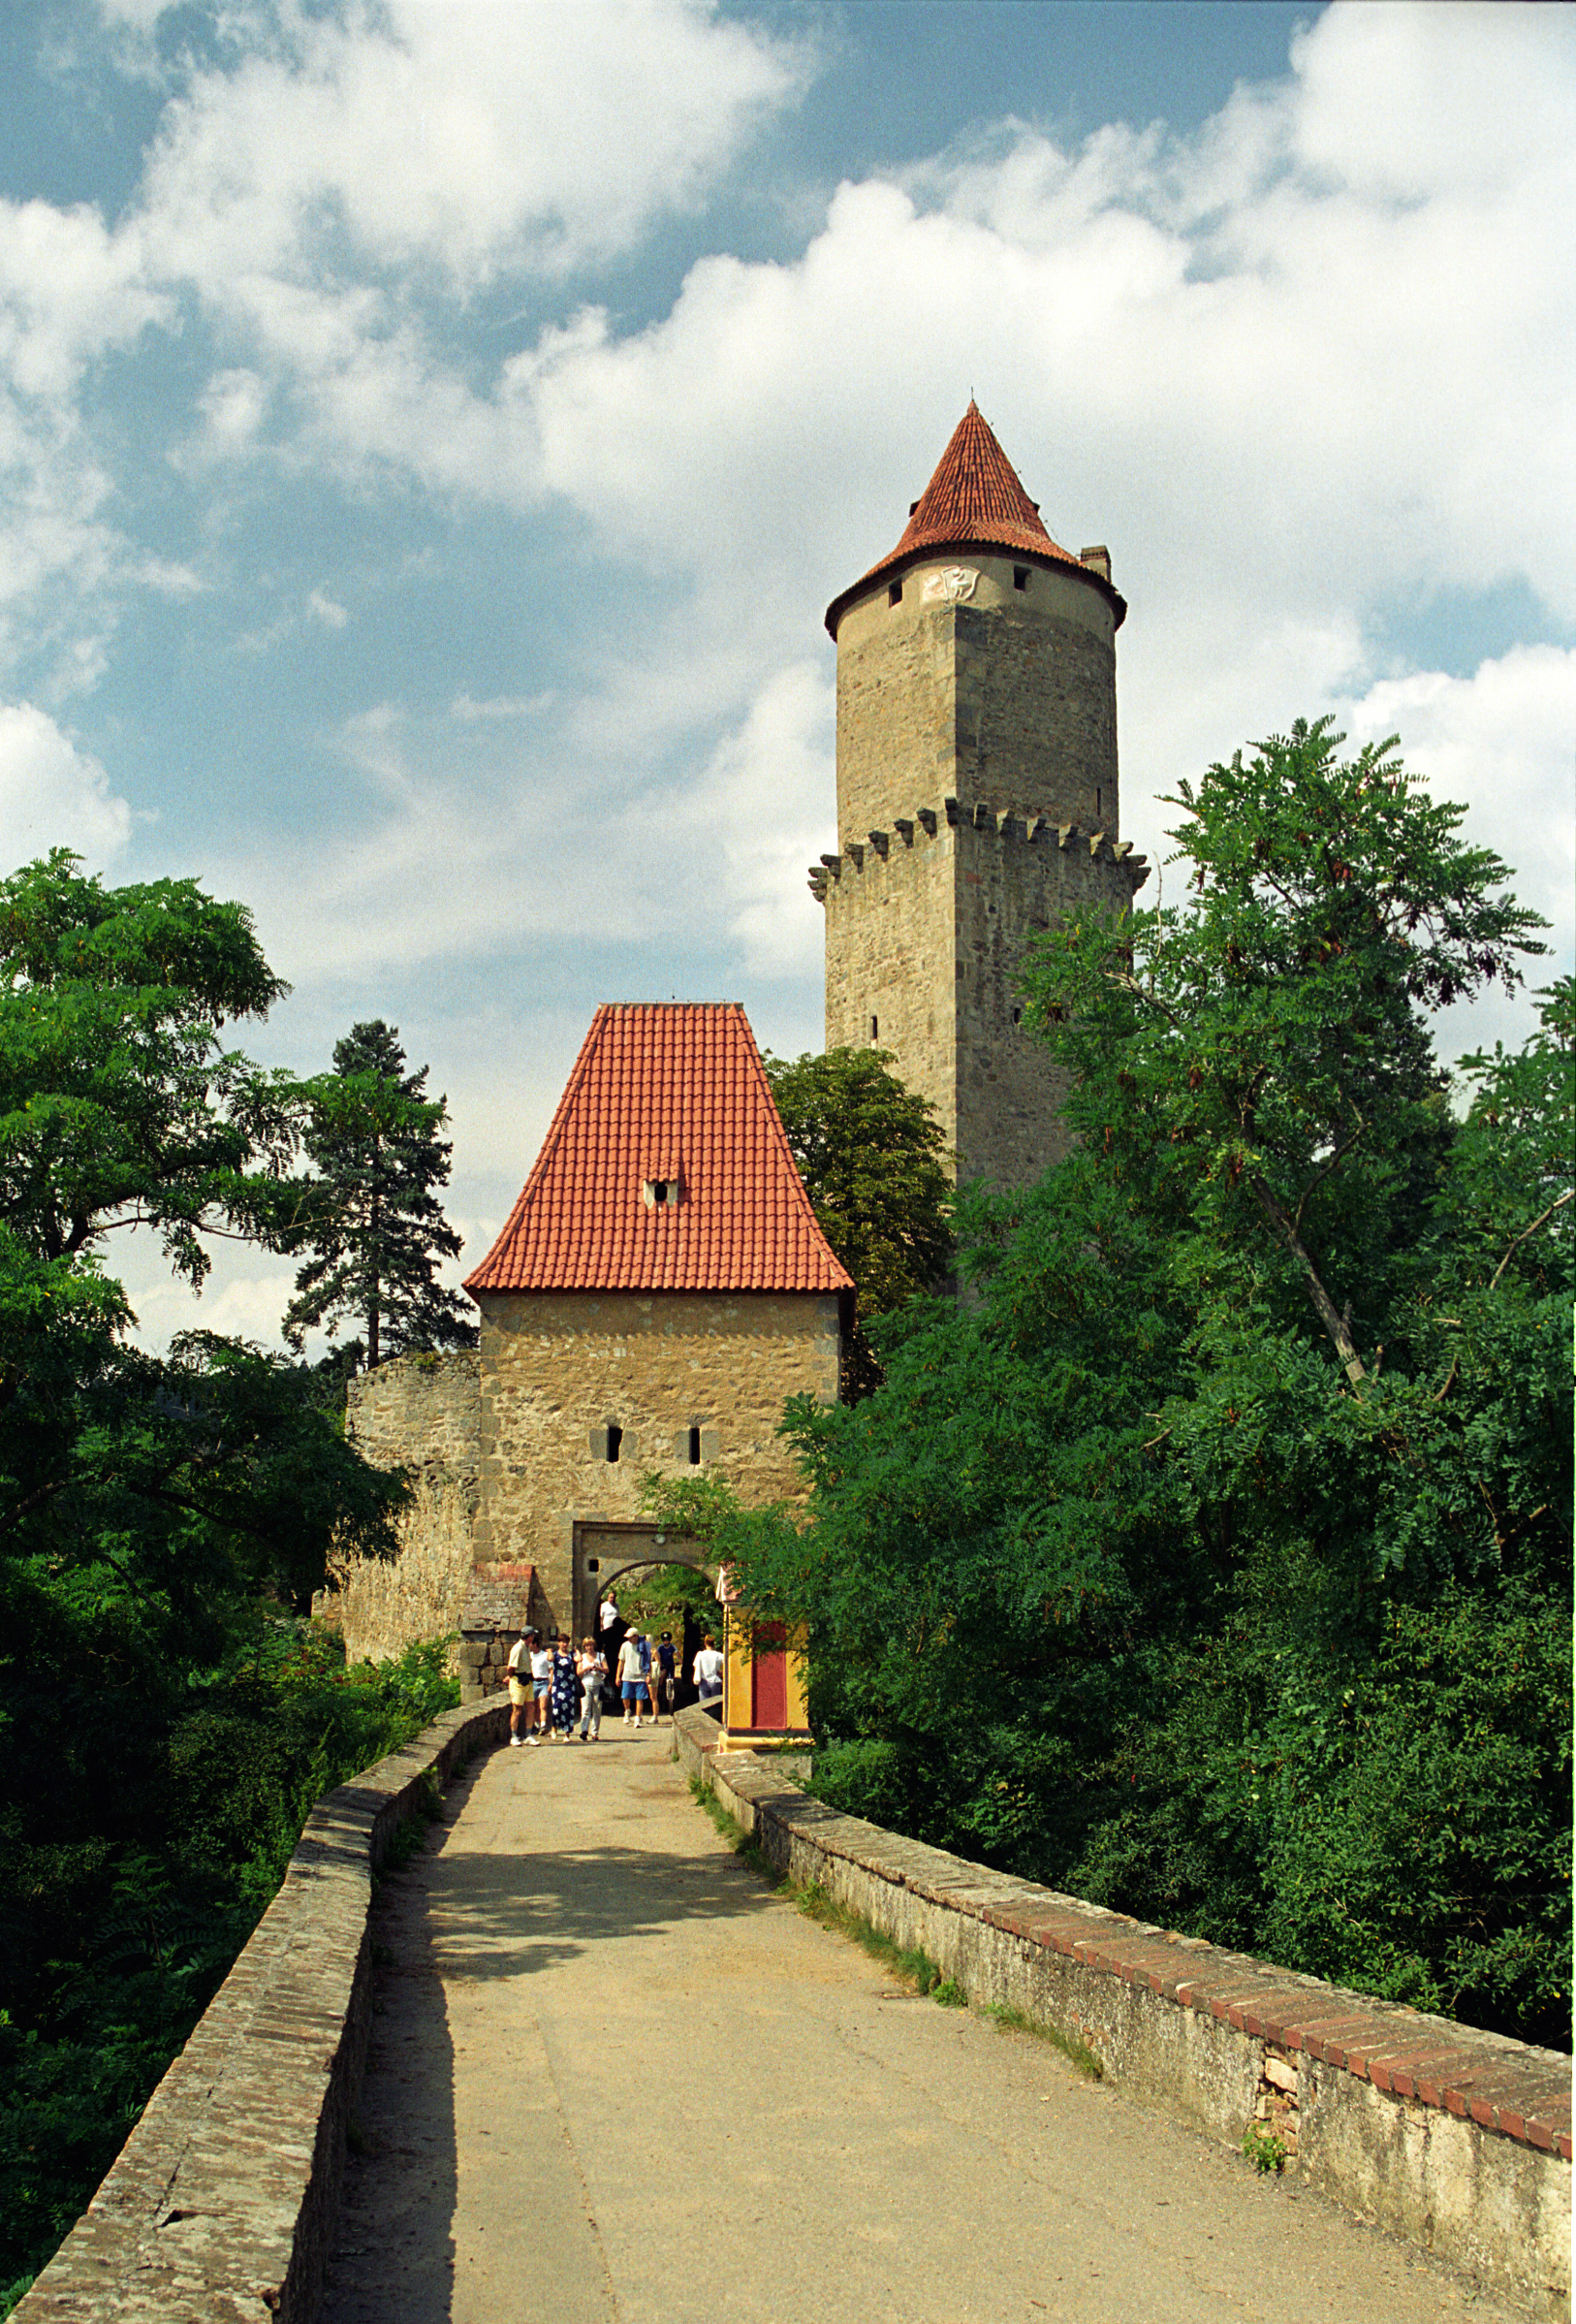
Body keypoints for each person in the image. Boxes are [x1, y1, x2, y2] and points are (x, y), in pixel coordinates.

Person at [505, 1628, 533, 1746]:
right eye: (532, 1635)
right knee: (517, 1710)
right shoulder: (518, 1648)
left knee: (531, 1707)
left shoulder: (526, 1647)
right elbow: (510, 1668)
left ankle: (528, 1735)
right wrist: (514, 1679)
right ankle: (514, 1736)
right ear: (528, 1636)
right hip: (519, 1681)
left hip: (527, 1680)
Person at [616, 1630, 650, 1727]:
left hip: (640, 1676)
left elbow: (648, 1661)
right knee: (625, 1697)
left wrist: (648, 1674)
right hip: (627, 1676)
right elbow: (621, 1661)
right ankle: (627, 1711)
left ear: (636, 1636)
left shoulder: (645, 1645)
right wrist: (618, 1676)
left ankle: (638, 1717)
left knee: (640, 1698)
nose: (629, 1639)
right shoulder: (625, 1645)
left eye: (630, 1637)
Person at [549, 1633, 579, 1740]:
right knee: (556, 1708)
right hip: (558, 1685)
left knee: (569, 1709)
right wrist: (549, 1651)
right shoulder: (556, 1654)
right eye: (562, 1642)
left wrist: (576, 1650)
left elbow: (579, 1659)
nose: (565, 1644)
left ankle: (567, 1733)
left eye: (566, 1642)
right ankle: (554, 1728)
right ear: (559, 1643)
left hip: (569, 1685)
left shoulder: (571, 1655)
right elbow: (550, 1659)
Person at [577, 1637, 608, 1740]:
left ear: (594, 1645)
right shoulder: (582, 1657)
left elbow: (607, 1669)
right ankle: (584, 1731)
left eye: (591, 1645)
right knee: (585, 1709)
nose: (589, 1647)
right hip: (586, 1685)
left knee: (597, 1709)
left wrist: (599, 1668)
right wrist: (586, 1668)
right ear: (584, 1647)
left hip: (598, 1685)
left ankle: (594, 1732)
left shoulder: (600, 1656)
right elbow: (578, 1672)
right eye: (587, 1645)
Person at [530, 1631, 553, 1737]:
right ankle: (536, 1725)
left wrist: (550, 1684)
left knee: (543, 1705)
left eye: (530, 1643)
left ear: (535, 1644)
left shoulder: (544, 1655)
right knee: (534, 1707)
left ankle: (543, 1726)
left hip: (544, 1682)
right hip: (533, 1682)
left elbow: (551, 1670)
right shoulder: (529, 1655)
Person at [652, 1631, 677, 1724]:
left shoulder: (672, 1646)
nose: (666, 1642)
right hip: (663, 1665)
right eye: (664, 1640)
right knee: (663, 1674)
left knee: (671, 1677)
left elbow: (677, 1652)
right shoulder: (660, 1647)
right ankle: (661, 1685)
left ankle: (671, 1687)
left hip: (671, 1665)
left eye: (667, 1640)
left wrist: (680, 1659)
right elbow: (657, 1654)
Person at [693, 1632, 724, 1703]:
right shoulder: (718, 1655)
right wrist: (721, 1673)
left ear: (705, 1643)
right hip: (715, 1681)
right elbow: (727, 1663)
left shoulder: (700, 1654)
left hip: (704, 1681)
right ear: (714, 1644)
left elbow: (696, 1667)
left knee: (704, 1704)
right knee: (715, 1704)